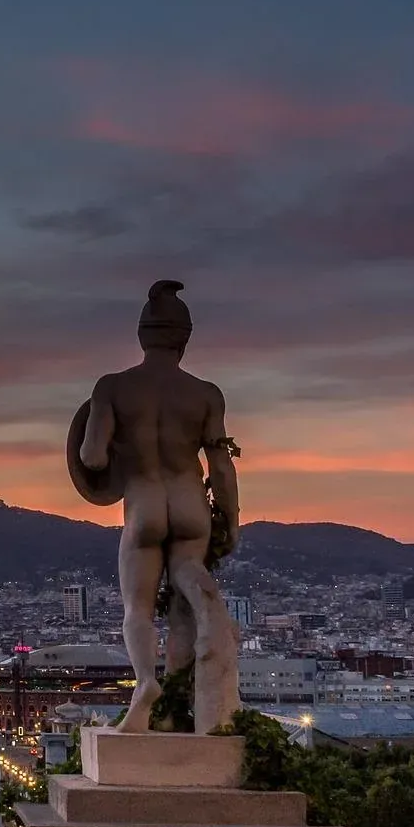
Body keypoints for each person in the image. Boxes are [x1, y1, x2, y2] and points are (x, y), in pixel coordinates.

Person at [74, 279, 241, 733]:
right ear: (183, 339)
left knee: (139, 609)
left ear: (142, 336)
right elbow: (221, 467)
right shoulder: (206, 394)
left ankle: (147, 684)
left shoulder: (113, 387)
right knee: (186, 601)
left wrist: (119, 450)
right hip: (190, 505)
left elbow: (90, 456)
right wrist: (232, 519)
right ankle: (181, 701)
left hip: (144, 506)